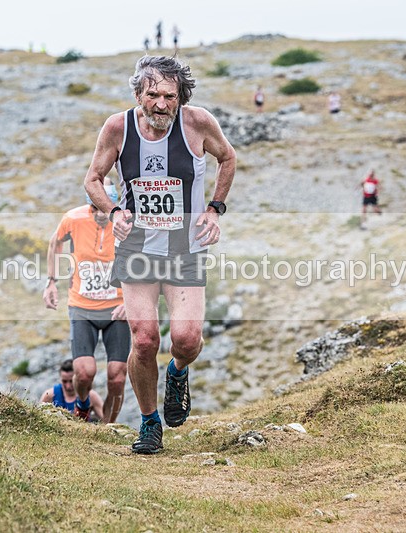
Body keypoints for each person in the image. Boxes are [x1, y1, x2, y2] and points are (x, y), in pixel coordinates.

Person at [84, 55, 236, 454]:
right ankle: (150, 423)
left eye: (170, 96)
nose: (161, 104)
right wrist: (113, 211)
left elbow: (228, 157)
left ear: (180, 96)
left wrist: (214, 209)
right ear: (138, 93)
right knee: (146, 339)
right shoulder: (118, 127)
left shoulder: (197, 122)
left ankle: (178, 372)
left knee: (186, 339)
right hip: (137, 247)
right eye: (153, 95)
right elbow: (93, 179)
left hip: (185, 247)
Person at [43, 179, 130, 424]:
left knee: (117, 377)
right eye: (95, 207)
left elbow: (143, 259)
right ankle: (83, 405)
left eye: (106, 208)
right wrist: (51, 281)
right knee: (84, 372)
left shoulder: (126, 222)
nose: (100, 214)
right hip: (82, 307)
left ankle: (107, 427)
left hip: (117, 308)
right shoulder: (74, 218)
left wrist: (133, 301)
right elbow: (55, 243)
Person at [40, 359, 104, 421]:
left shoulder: (90, 395)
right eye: (64, 381)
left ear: (76, 379)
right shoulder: (50, 395)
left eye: (71, 381)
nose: (68, 386)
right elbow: (38, 417)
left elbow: (107, 420)